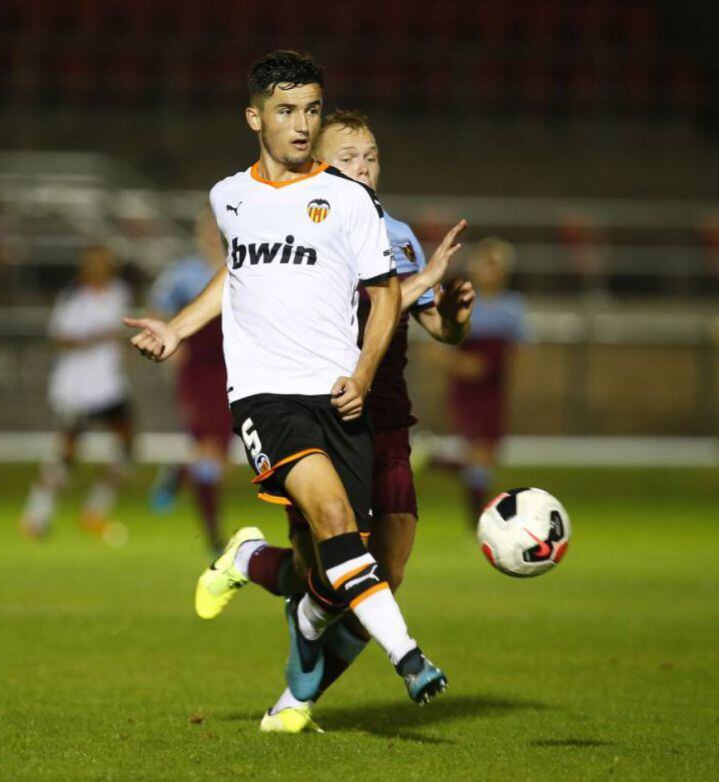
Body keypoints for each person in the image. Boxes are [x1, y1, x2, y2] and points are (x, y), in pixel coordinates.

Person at [126, 51, 449, 729]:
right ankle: (409, 659)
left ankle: (275, 590)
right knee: (336, 526)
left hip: (337, 396)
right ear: (254, 117)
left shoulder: (351, 202)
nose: (301, 124)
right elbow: (239, 273)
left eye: (310, 109)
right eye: (285, 110)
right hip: (266, 397)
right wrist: (178, 329)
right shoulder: (228, 196)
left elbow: (385, 298)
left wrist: (361, 375)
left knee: (331, 574)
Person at [194, 109, 475, 732]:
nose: (363, 168)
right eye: (348, 157)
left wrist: (453, 313)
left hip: (387, 418)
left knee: (385, 572)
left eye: (371, 156)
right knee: (326, 566)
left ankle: (294, 691)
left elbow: (436, 328)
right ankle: (253, 574)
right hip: (314, 410)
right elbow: (243, 279)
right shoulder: (296, 214)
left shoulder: (396, 234)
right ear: (318, 161)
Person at [19, 245, 135, 542]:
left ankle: (95, 510)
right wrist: (94, 337)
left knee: (126, 446)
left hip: (108, 385)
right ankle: (36, 515)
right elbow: (58, 338)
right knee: (65, 456)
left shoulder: (119, 293)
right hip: (76, 388)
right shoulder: (73, 297)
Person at [146, 211, 231, 555]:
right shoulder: (183, 274)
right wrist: (169, 342)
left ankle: (179, 473)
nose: (211, 237)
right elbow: (158, 308)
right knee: (208, 448)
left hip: (232, 367)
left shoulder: (246, 268)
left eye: (217, 231)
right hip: (197, 367)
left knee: (218, 454)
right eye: (206, 231)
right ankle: (213, 534)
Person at [438, 238, 528, 526]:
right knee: (477, 450)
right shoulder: (460, 300)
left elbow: (519, 350)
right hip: (466, 389)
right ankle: (479, 519)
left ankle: (439, 462)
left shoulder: (513, 307)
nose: (491, 271)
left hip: (493, 388)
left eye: (496, 265)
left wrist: (515, 378)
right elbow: (436, 347)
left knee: (487, 453)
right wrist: (460, 365)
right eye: (485, 264)